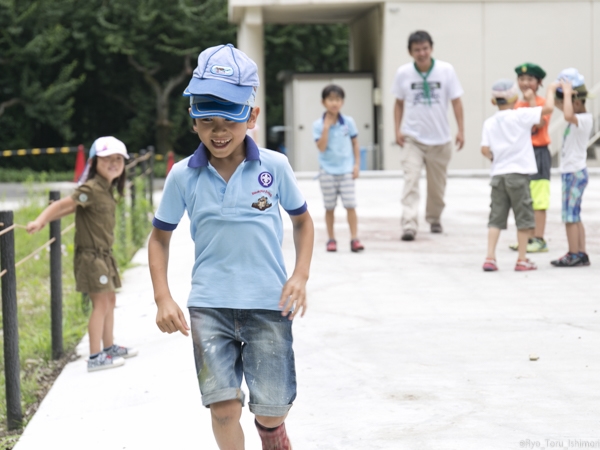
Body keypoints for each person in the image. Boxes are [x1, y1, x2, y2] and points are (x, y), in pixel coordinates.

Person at [148, 44, 314, 450]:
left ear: (252, 117)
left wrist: (300, 276)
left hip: (268, 305)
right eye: (208, 122)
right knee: (222, 408)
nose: (218, 133)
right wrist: (162, 297)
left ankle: (273, 432)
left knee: (272, 409)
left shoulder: (274, 167)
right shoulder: (181, 176)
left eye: (229, 122)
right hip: (210, 307)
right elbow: (159, 237)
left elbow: (303, 222)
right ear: (194, 121)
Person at [26, 136, 138, 371]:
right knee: (100, 304)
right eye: (107, 159)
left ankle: (108, 347)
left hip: (104, 256)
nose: (113, 163)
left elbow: (70, 210)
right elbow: (64, 205)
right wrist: (40, 220)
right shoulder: (91, 189)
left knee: (110, 300)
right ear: (94, 162)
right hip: (91, 258)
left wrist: (46, 220)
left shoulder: (106, 189)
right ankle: (95, 356)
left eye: (118, 159)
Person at [392, 30, 465, 241]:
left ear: (431, 48)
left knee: (437, 186)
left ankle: (434, 219)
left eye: (425, 48)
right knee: (411, 180)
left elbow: (456, 101)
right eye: (417, 50)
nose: (422, 53)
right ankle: (409, 224)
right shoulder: (403, 73)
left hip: (440, 139)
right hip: (412, 138)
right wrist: (397, 129)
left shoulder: (446, 70)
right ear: (410, 52)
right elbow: (398, 103)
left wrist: (461, 130)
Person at [480, 79, 556, 272]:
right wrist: (551, 89)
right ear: (515, 98)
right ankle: (522, 259)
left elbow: (484, 149)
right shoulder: (520, 115)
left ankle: (490, 257)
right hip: (519, 175)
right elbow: (547, 108)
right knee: (523, 218)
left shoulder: (489, 122)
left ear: (493, 101)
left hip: (498, 175)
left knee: (496, 218)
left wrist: (494, 158)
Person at [313, 84, 365, 253]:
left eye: (338, 99)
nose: (334, 103)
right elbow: (320, 147)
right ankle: (331, 239)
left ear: (342, 102)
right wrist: (326, 127)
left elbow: (355, 143)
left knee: (351, 205)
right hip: (327, 171)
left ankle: (354, 238)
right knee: (329, 207)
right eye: (331, 99)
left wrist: (356, 165)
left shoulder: (348, 122)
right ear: (323, 102)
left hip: (346, 171)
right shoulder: (318, 124)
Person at [550, 69, 593, 267]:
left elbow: (567, 114)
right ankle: (581, 252)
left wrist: (567, 92)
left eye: (569, 99)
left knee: (570, 217)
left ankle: (573, 253)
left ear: (577, 102)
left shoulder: (584, 119)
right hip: (574, 172)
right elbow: (559, 106)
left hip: (574, 172)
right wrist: (554, 89)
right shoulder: (578, 115)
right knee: (575, 216)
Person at [509, 63, 552, 253]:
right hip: (522, 154)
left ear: (539, 82)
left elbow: (541, 123)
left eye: (530, 79)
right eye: (522, 79)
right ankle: (526, 237)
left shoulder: (543, 103)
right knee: (524, 197)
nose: (525, 83)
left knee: (539, 197)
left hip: (539, 153)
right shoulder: (516, 104)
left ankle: (539, 238)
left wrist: (533, 102)